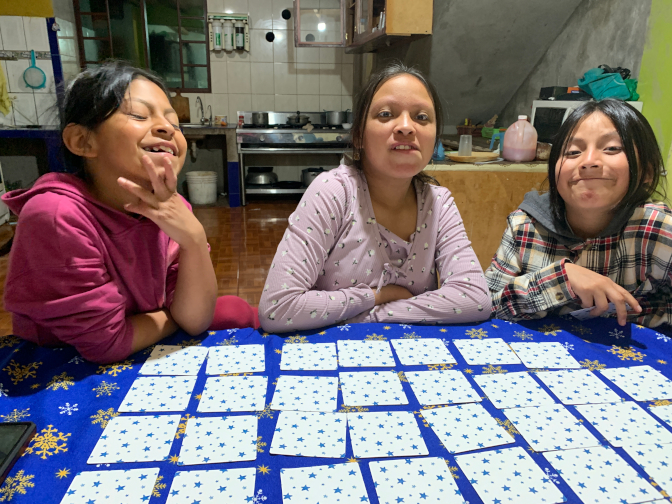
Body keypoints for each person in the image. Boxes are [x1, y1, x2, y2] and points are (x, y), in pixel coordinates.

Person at [2, 61, 258, 364]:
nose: (166, 128)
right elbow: (107, 343)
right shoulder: (56, 214)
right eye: (138, 115)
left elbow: (196, 318)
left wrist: (193, 237)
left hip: (143, 338)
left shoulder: (170, 207)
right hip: (64, 363)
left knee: (235, 309)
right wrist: (174, 316)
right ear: (82, 141)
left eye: (175, 124)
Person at [258, 62, 491, 332]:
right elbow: (277, 309)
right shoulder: (334, 192)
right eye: (385, 114)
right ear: (359, 135)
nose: (406, 127)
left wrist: (371, 315)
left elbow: (475, 298)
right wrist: (376, 295)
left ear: (435, 137)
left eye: (422, 117)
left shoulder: (439, 203)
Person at [486, 99, 671, 328]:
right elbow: (485, 304)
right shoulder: (524, 225)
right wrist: (560, 280)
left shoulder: (659, 228)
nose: (589, 162)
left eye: (612, 148)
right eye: (573, 152)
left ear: (647, 172)